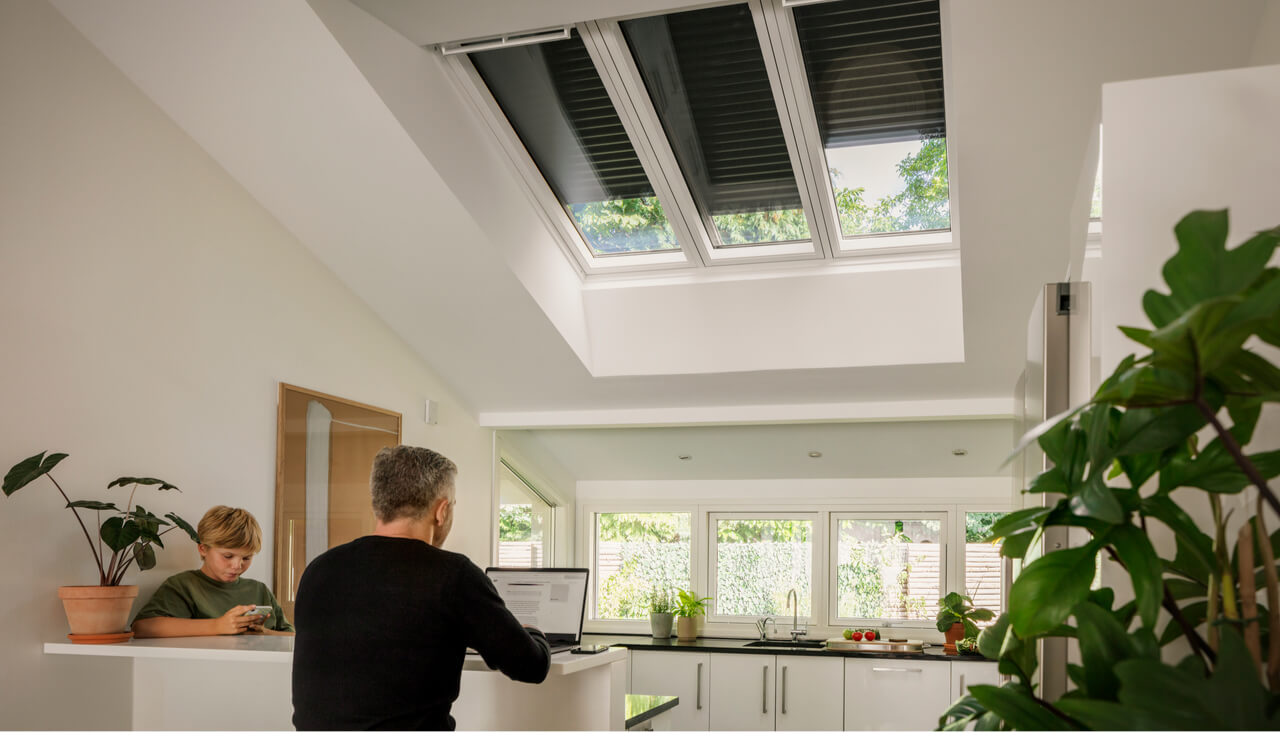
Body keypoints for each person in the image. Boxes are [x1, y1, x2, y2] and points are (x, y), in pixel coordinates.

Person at [292, 445, 550, 730]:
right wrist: (533, 633)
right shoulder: (454, 575)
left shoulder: (318, 570)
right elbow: (531, 666)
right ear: (441, 511)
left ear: (379, 503)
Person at [132, 505, 294, 637]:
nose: (237, 565)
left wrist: (266, 633)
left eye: (246, 558)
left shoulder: (259, 590)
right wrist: (218, 626)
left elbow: (293, 637)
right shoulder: (183, 586)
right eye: (228, 556)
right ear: (203, 549)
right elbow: (142, 627)